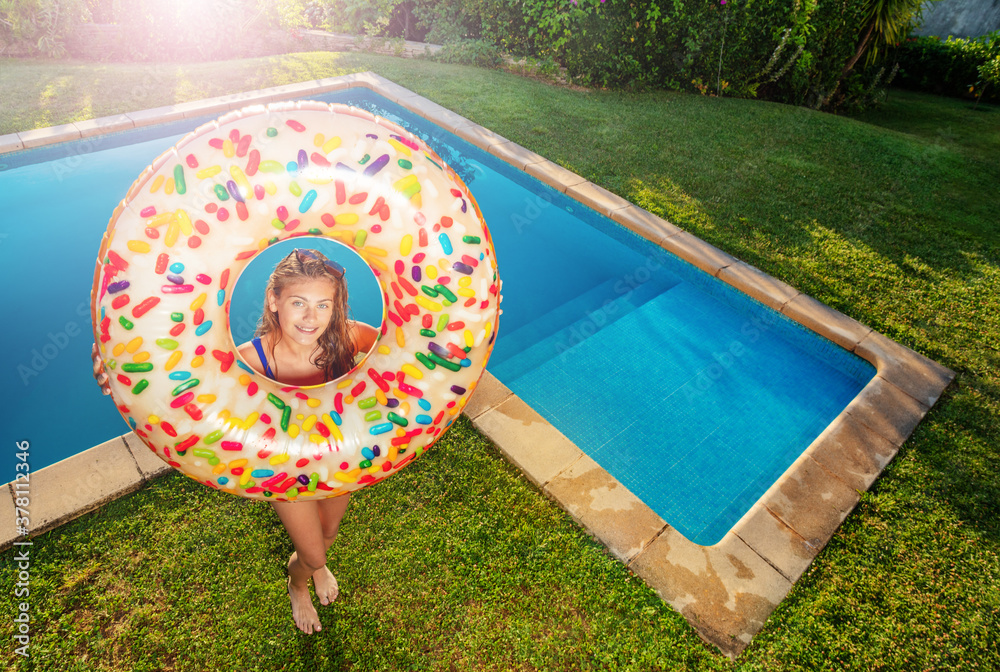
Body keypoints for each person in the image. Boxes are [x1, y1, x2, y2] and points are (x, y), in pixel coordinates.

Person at [94, 248, 378, 635]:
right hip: (283, 469)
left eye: (323, 305)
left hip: (336, 459)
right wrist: (121, 374)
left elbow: (412, 352)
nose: (312, 318)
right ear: (274, 301)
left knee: (327, 536)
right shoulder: (247, 362)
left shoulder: (346, 337)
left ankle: (318, 564)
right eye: (299, 303)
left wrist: (469, 330)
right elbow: (179, 400)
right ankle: (298, 582)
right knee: (310, 552)